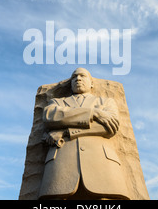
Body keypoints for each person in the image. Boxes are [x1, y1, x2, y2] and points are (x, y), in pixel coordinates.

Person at [38, 68, 130, 200]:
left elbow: (109, 127)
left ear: (92, 83)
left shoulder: (105, 102)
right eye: (74, 77)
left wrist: (66, 132)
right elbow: (51, 116)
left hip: (101, 162)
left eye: (82, 76)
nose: (78, 79)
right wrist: (93, 113)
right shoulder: (57, 102)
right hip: (61, 163)